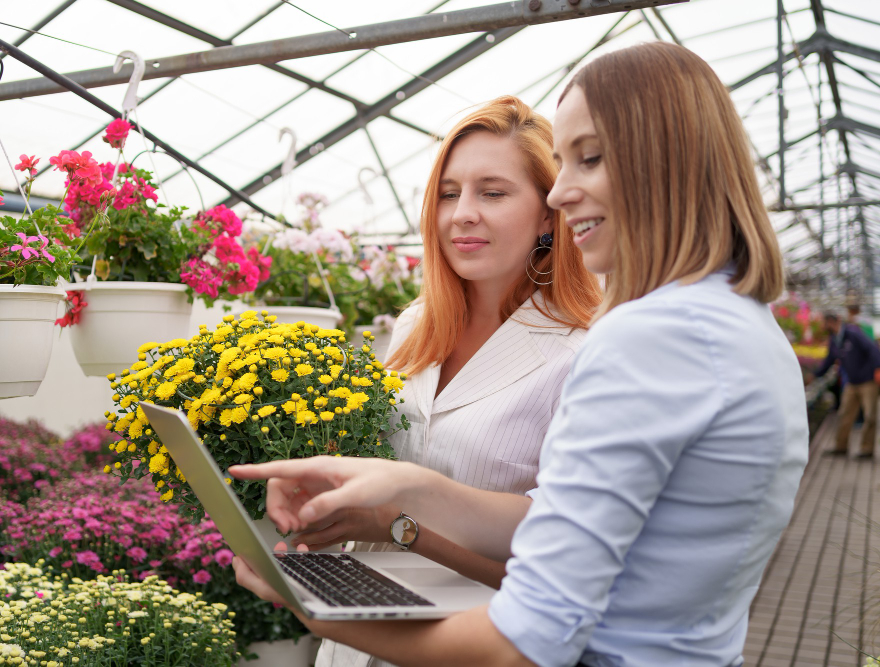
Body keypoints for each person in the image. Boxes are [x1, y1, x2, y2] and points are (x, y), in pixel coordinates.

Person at [229, 42, 808, 667]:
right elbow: (563, 526)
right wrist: (395, 485)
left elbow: (524, 641)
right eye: (449, 193)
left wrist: (308, 602)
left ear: (664, 161)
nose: (562, 193)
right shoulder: (742, 326)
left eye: (589, 160)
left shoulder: (642, 337)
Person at [307, 96, 602, 667]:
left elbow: (557, 560)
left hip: (474, 640)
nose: (462, 213)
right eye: (449, 193)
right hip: (358, 629)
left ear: (549, 214)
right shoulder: (417, 323)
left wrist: (402, 529)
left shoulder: (579, 354)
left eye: (492, 192)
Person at [816, 312, 880, 458]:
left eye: (825, 323)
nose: (824, 326)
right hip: (852, 382)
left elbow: (873, 349)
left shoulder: (853, 333)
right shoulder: (834, 339)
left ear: (832, 322)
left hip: (868, 381)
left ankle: (867, 449)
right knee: (845, 414)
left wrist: (878, 369)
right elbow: (829, 359)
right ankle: (841, 446)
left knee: (870, 416)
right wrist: (816, 375)